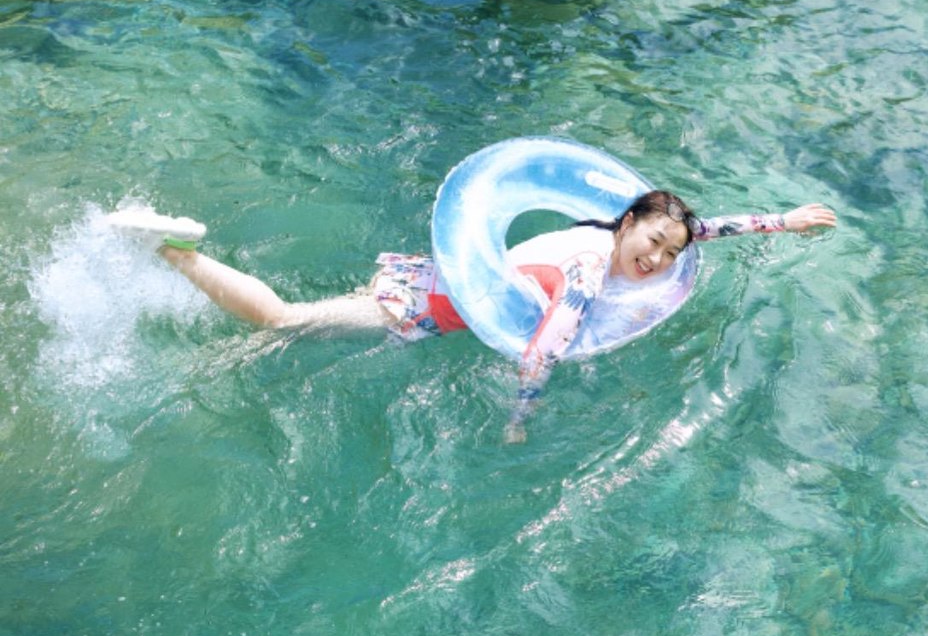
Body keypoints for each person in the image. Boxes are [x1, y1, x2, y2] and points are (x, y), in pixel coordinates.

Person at [107, 190, 836, 441]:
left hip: (434, 279)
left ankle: (185, 276)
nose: (658, 259)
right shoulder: (587, 272)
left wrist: (784, 221)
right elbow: (545, 349)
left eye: (669, 252)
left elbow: (703, 229)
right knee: (281, 323)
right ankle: (176, 252)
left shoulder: (621, 238)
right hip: (422, 307)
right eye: (651, 243)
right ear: (625, 224)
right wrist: (522, 413)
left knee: (279, 335)